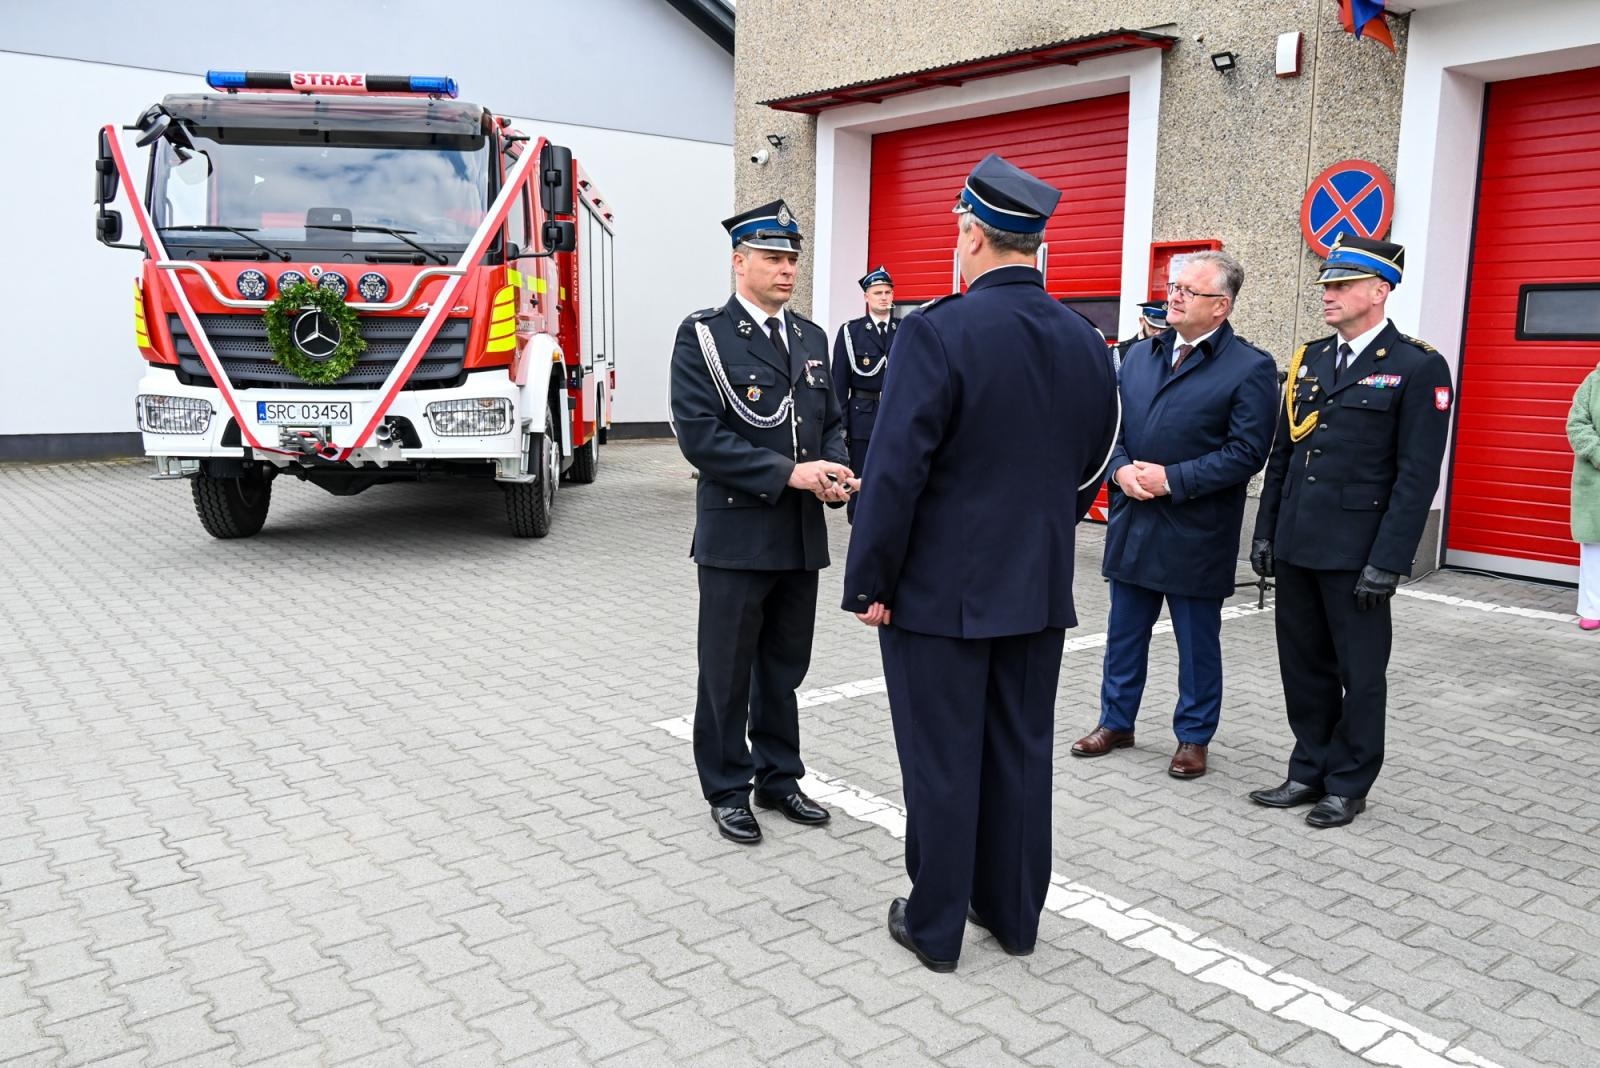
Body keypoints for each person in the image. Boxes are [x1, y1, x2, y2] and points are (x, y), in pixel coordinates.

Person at [840, 154, 1118, 971]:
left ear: (970, 235)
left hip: (938, 595)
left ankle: (934, 928)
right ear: (1037, 245)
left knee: (942, 761)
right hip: (1035, 587)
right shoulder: (1084, 338)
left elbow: (895, 473)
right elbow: (1096, 460)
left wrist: (871, 580)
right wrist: (1041, 529)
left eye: (959, 232)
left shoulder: (936, 329)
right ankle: (1014, 916)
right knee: (1020, 756)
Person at [1247, 234, 1453, 828]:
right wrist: (1266, 532)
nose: (1327, 296)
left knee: (1359, 675)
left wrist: (1389, 560)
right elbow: (1283, 453)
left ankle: (1349, 782)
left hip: (1358, 553)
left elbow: (1417, 476)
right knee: (1302, 665)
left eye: (1340, 286)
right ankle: (1307, 769)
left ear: (1379, 290)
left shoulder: (1417, 366)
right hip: (1298, 543)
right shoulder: (1309, 358)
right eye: (1326, 285)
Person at [668, 199, 853, 845]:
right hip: (738, 531)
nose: (786, 271)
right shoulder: (705, 335)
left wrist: (836, 470)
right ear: (739, 261)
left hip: (800, 531)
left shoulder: (810, 337)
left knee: (783, 668)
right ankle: (726, 787)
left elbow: (831, 420)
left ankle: (779, 778)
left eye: (792, 260)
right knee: (726, 669)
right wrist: (787, 474)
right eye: (773, 258)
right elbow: (700, 436)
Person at [1070, 251, 1278, 779]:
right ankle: (1116, 721)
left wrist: (1172, 480)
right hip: (1134, 521)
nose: (1175, 296)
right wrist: (1118, 472)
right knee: (1124, 634)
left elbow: (1247, 452)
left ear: (1221, 307)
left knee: (1196, 643)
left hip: (1196, 530)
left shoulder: (1249, 368)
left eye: (1189, 290)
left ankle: (1193, 736)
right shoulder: (1140, 355)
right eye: (1174, 285)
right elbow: (1108, 428)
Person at [831, 266, 898, 522]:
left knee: (893, 470)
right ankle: (860, 523)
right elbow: (839, 383)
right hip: (863, 418)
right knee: (860, 476)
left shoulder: (905, 328)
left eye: (888, 292)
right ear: (866, 297)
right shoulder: (851, 332)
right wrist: (841, 427)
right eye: (878, 292)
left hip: (895, 415)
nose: (884, 297)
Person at [1568, 362, 1600, 630]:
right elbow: (1577, 424)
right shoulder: (1593, 381)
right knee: (1594, 549)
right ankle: (1592, 608)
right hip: (1595, 479)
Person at [1112, 299, 1169, 373]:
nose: (1158, 333)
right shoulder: (1118, 352)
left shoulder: (1171, 352)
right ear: (1142, 321)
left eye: (1163, 329)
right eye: (1153, 327)